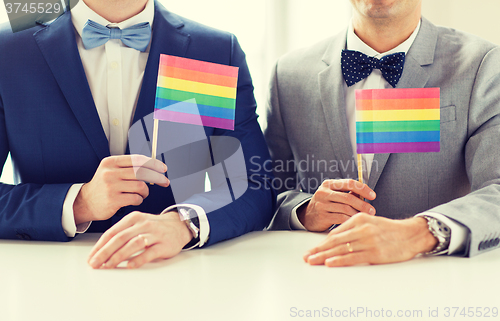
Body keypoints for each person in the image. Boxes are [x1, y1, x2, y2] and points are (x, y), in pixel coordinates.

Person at [0, 0, 275, 269]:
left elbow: (253, 184)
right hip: (46, 279)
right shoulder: (8, 50)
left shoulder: (212, 50)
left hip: (174, 274)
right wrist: (78, 203)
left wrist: (183, 223)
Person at [264, 0, 500, 267]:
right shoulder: (288, 74)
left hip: (432, 283)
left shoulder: (482, 64)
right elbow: (266, 192)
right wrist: (304, 211)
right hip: (321, 279)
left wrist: (419, 233)